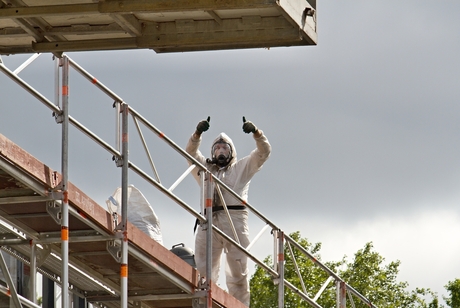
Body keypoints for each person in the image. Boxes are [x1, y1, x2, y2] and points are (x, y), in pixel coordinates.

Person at [185, 116, 271, 306]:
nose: (220, 150)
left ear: (231, 151)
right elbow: (190, 153)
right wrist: (197, 134)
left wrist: (257, 133)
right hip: (208, 223)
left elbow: (263, 152)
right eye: (217, 147)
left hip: (235, 222)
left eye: (224, 148)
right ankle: (206, 304)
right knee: (203, 273)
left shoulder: (241, 169)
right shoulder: (205, 170)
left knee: (237, 274)